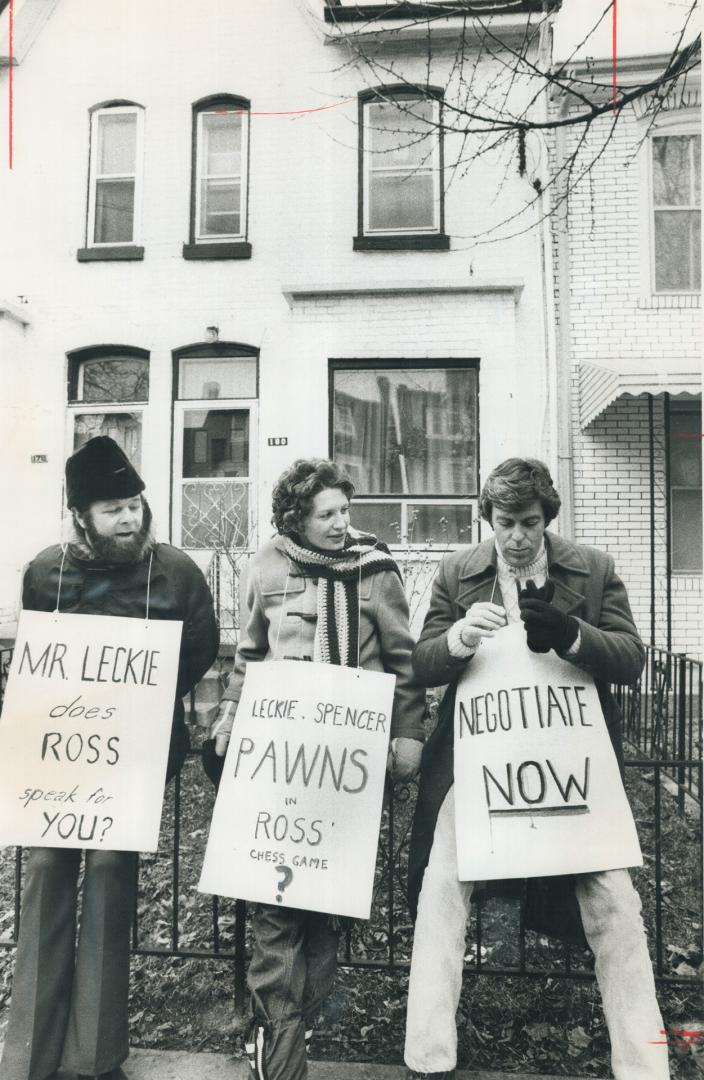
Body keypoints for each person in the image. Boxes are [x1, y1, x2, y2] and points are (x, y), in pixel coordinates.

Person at [404, 457, 669, 1080]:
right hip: (479, 767)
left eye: (528, 523)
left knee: (615, 905)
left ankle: (645, 1065)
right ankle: (427, 1057)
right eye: (503, 523)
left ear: (548, 518)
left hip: (569, 767)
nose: (516, 537)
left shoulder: (592, 569)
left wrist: (573, 636)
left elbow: (631, 659)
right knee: (441, 892)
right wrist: (460, 639)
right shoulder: (458, 573)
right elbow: (422, 663)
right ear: (487, 519)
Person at [1, 436, 219, 1080]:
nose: (127, 519)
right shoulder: (46, 572)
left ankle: (94, 1059)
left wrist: (140, 703)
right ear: (80, 518)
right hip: (61, 759)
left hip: (132, 756)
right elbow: (38, 657)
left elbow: (200, 651)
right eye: (110, 510)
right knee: (43, 875)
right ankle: (29, 1057)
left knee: (109, 877)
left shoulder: (176, 573)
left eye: (133, 505)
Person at [209, 458, 426, 1080]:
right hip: (280, 768)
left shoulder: (375, 568)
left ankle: (293, 1026)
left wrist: (407, 736)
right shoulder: (267, 565)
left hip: (345, 771)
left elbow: (403, 661)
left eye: (344, 511)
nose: (340, 525)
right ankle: (278, 1051)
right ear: (295, 519)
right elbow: (250, 655)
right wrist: (229, 718)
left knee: (327, 909)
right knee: (275, 905)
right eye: (326, 515)